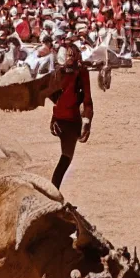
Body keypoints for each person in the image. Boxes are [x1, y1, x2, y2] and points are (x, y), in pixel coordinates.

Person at [49, 42, 92, 189]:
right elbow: (87, 100)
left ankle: (53, 190)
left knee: (65, 156)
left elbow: (53, 96)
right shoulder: (82, 72)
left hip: (59, 120)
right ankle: (53, 191)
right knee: (66, 157)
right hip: (71, 120)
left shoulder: (59, 72)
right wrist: (87, 122)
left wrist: (54, 117)